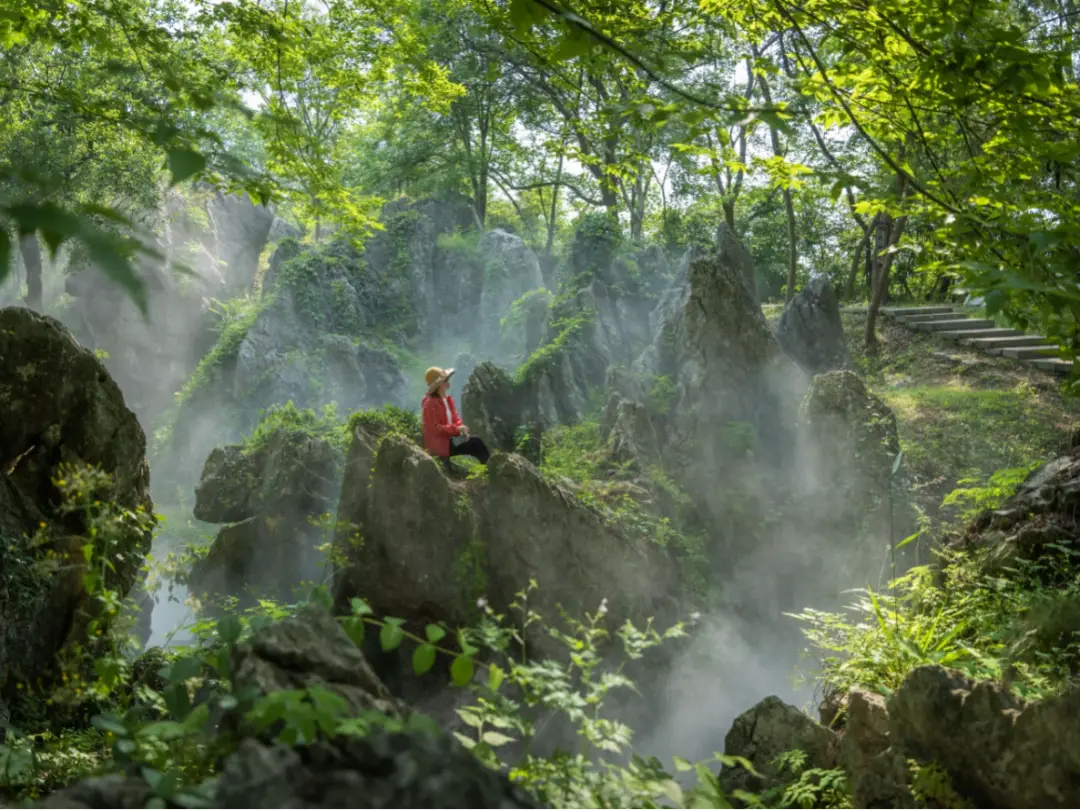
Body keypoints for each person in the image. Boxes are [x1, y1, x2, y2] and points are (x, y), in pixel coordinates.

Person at [421, 366, 491, 468]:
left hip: (450, 440)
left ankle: (487, 470)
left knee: (475, 442)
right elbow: (435, 429)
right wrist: (457, 429)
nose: (448, 382)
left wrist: (461, 429)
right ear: (438, 385)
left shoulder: (447, 399)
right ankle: (488, 471)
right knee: (476, 443)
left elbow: (455, 418)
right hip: (440, 445)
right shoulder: (429, 404)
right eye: (445, 380)